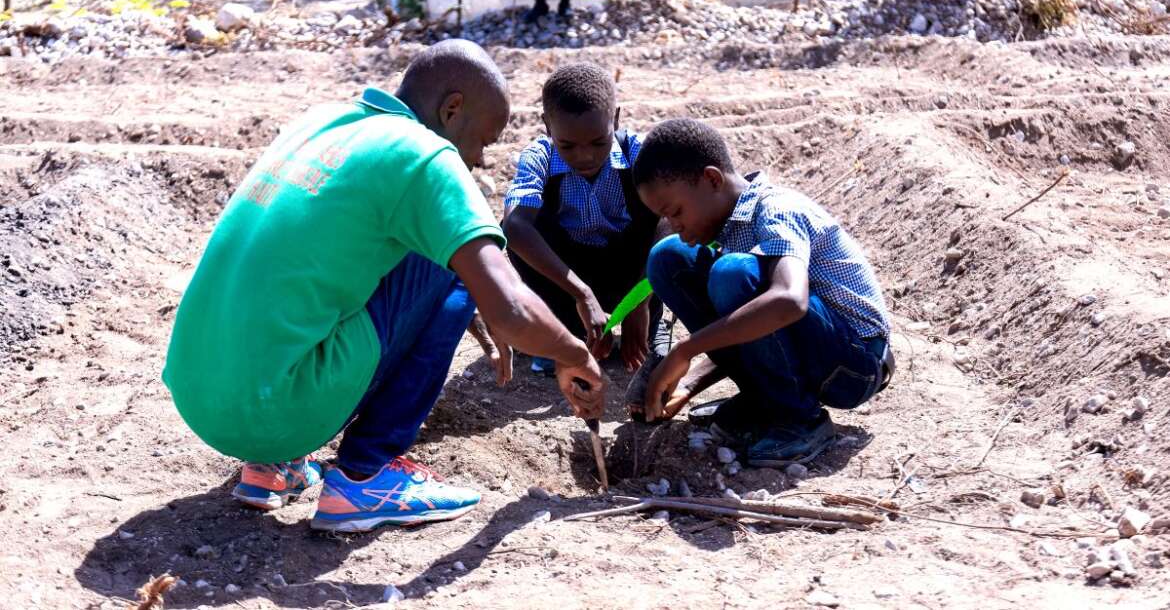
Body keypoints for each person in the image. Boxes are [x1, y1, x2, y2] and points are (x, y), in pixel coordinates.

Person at [163, 40, 605, 533]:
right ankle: (364, 476)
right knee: (458, 257)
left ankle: (272, 466)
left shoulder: (323, 122)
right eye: (484, 140)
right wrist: (573, 354)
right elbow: (511, 308)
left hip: (201, 394)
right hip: (277, 408)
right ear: (451, 109)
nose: (480, 160)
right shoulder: (425, 155)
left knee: (364, 262)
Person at [631, 118, 895, 466]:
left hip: (854, 367)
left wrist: (685, 350)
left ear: (711, 179)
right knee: (668, 257)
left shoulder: (776, 211)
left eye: (676, 213)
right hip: (815, 352)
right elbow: (746, 325)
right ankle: (765, 400)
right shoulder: (729, 226)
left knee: (731, 274)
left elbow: (789, 302)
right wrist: (688, 385)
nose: (677, 227)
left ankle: (801, 419)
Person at [503, 62, 667, 380]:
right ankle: (564, 332)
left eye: (598, 142)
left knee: (666, 220)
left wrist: (638, 300)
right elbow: (515, 227)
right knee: (521, 226)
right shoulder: (538, 158)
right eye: (567, 146)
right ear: (548, 127)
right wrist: (583, 294)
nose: (585, 156)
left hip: (633, 278)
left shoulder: (638, 152)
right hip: (569, 282)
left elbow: (674, 223)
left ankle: (650, 324)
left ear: (615, 119)